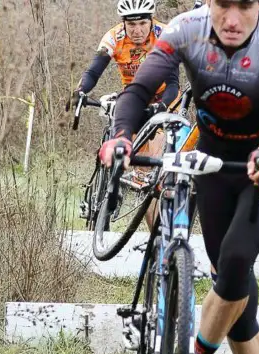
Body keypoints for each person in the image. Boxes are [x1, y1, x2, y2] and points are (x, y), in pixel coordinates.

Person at [99, 0, 259, 354]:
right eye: (222, 4)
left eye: (244, 5)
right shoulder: (186, 29)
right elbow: (138, 90)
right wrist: (122, 136)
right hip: (213, 165)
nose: (231, 19)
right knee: (232, 289)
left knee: (233, 266)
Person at [74, 0, 180, 227]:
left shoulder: (164, 35)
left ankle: (159, 226)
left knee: (157, 156)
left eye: (143, 23)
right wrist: (80, 91)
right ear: (123, 23)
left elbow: (173, 83)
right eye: (131, 24)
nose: (138, 30)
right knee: (130, 152)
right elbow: (94, 70)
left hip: (165, 98)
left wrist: (161, 107)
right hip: (134, 97)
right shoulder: (113, 38)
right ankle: (118, 185)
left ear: (151, 20)